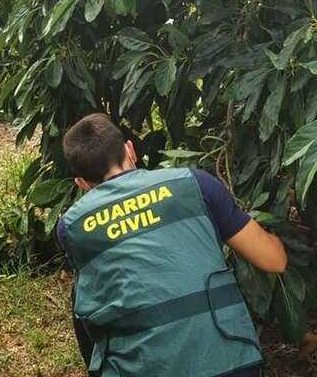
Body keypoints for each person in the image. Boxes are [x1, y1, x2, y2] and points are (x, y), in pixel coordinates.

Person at [55, 113, 288, 377]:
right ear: (130, 150)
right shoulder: (196, 183)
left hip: (140, 368)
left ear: (82, 184)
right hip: (229, 363)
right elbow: (274, 260)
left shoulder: (71, 226)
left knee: (81, 291)